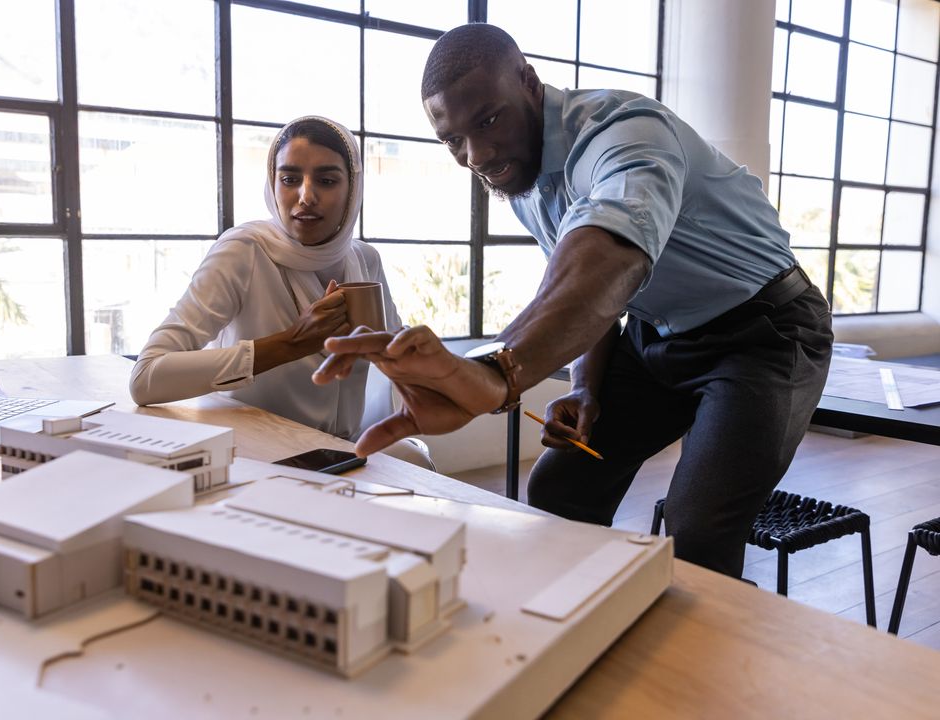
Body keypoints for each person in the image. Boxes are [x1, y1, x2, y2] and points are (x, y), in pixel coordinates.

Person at [313, 24, 833, 579]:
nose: (477, 155)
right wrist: (585, 387)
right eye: (453, 141)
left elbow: (610, 262)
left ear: (529, 83)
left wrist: (497, 371)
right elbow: (584, 288)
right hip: (657, 335)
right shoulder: (523, 176)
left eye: (489, 120)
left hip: (766, 333)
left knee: (699, 526)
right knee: (560, 486)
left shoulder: (626, 132)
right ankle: (574, 620)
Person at [130, 116, 402, 442]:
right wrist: (290, 343)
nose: (306, 196)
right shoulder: (244, 251)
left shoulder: (363, 260)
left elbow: (398, 354)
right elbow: (145, 379)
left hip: (341, 458)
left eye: (327, 181)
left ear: (353, 189)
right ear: (272, 184)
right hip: (254, 458)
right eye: (289, 179)